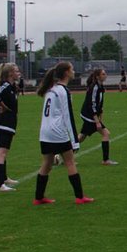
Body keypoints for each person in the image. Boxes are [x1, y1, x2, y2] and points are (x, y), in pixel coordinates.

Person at [34, 62, 94, 205]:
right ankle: (80, 197)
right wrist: (74, 141)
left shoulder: (51, 89)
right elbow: (68, 116)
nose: (74, 71)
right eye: (72, 69)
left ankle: (38, 197)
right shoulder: (63, 91)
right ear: (66, 72)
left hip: (45, 132)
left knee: (47, 164)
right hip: (58, 132)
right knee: (70, 162)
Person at [0, 62, 22, 192]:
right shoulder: (5, 86)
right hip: (2, 123)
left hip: (9, 123)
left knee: (4, 152)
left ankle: (4, 178)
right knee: (1, 152)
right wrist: (2, 105)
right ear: (10, 74)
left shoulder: (12, 87)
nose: (19, 73)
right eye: (16, 71)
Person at [79, 68, 118, 165]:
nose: (105, 75)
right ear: (97, 76)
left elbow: (98, 102)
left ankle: (63, 155)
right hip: (90, 115)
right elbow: (91, 104)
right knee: (106, 134)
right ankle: (105, 160)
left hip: (90, 115)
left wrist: (101, 112)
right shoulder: (94, 87)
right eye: (103, 74)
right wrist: (97, 121)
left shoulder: (100, 86)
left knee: (82, 136)